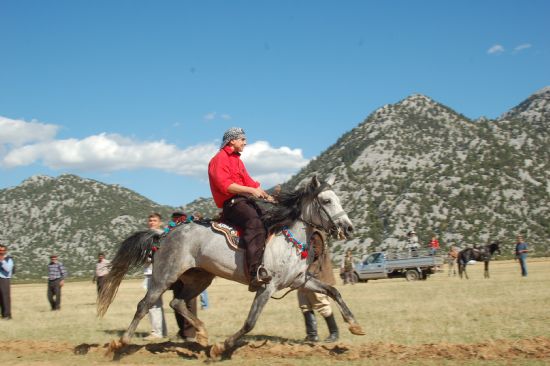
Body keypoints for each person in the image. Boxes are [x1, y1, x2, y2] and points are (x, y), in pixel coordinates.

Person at [208, 127, 273, 292]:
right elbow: (225, 186)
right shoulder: (218, 159)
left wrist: (268, 196)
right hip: (232, 204)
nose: (245, 142)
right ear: (232, 141)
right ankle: (254, 273)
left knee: (271, 220)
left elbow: (249, 182)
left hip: (244, 201)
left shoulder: (238, 161)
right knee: (255, 223)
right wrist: (251, 191)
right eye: (242, 139)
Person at [297, 231, 339, 343]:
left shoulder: (317, 233)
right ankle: (312, 335)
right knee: (304, 304)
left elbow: (316, 252)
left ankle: (334, 332)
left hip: (316, 276)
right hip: (304, 276)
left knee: (321, 303)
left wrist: (300, 251)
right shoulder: (307, 230)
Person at [144, 213, 168, 340]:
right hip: (150, 271)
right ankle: (162, 331)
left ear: (160, 222)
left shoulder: (160, 236)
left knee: (153, 303)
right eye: (150, 220)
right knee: (156, 303)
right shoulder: (149, 236)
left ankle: (157, 332)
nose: (152, 222)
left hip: (155, 272)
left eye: (154, 220)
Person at [0, 245, 14, 320]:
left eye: (3, 250)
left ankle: (7, 315)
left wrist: (2, 261)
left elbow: (8, 269)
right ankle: (3, 314)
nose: (1, 252)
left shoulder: (9, 259)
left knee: (5, 298)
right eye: (0, 250)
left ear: (5, 251)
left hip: (4, 279)